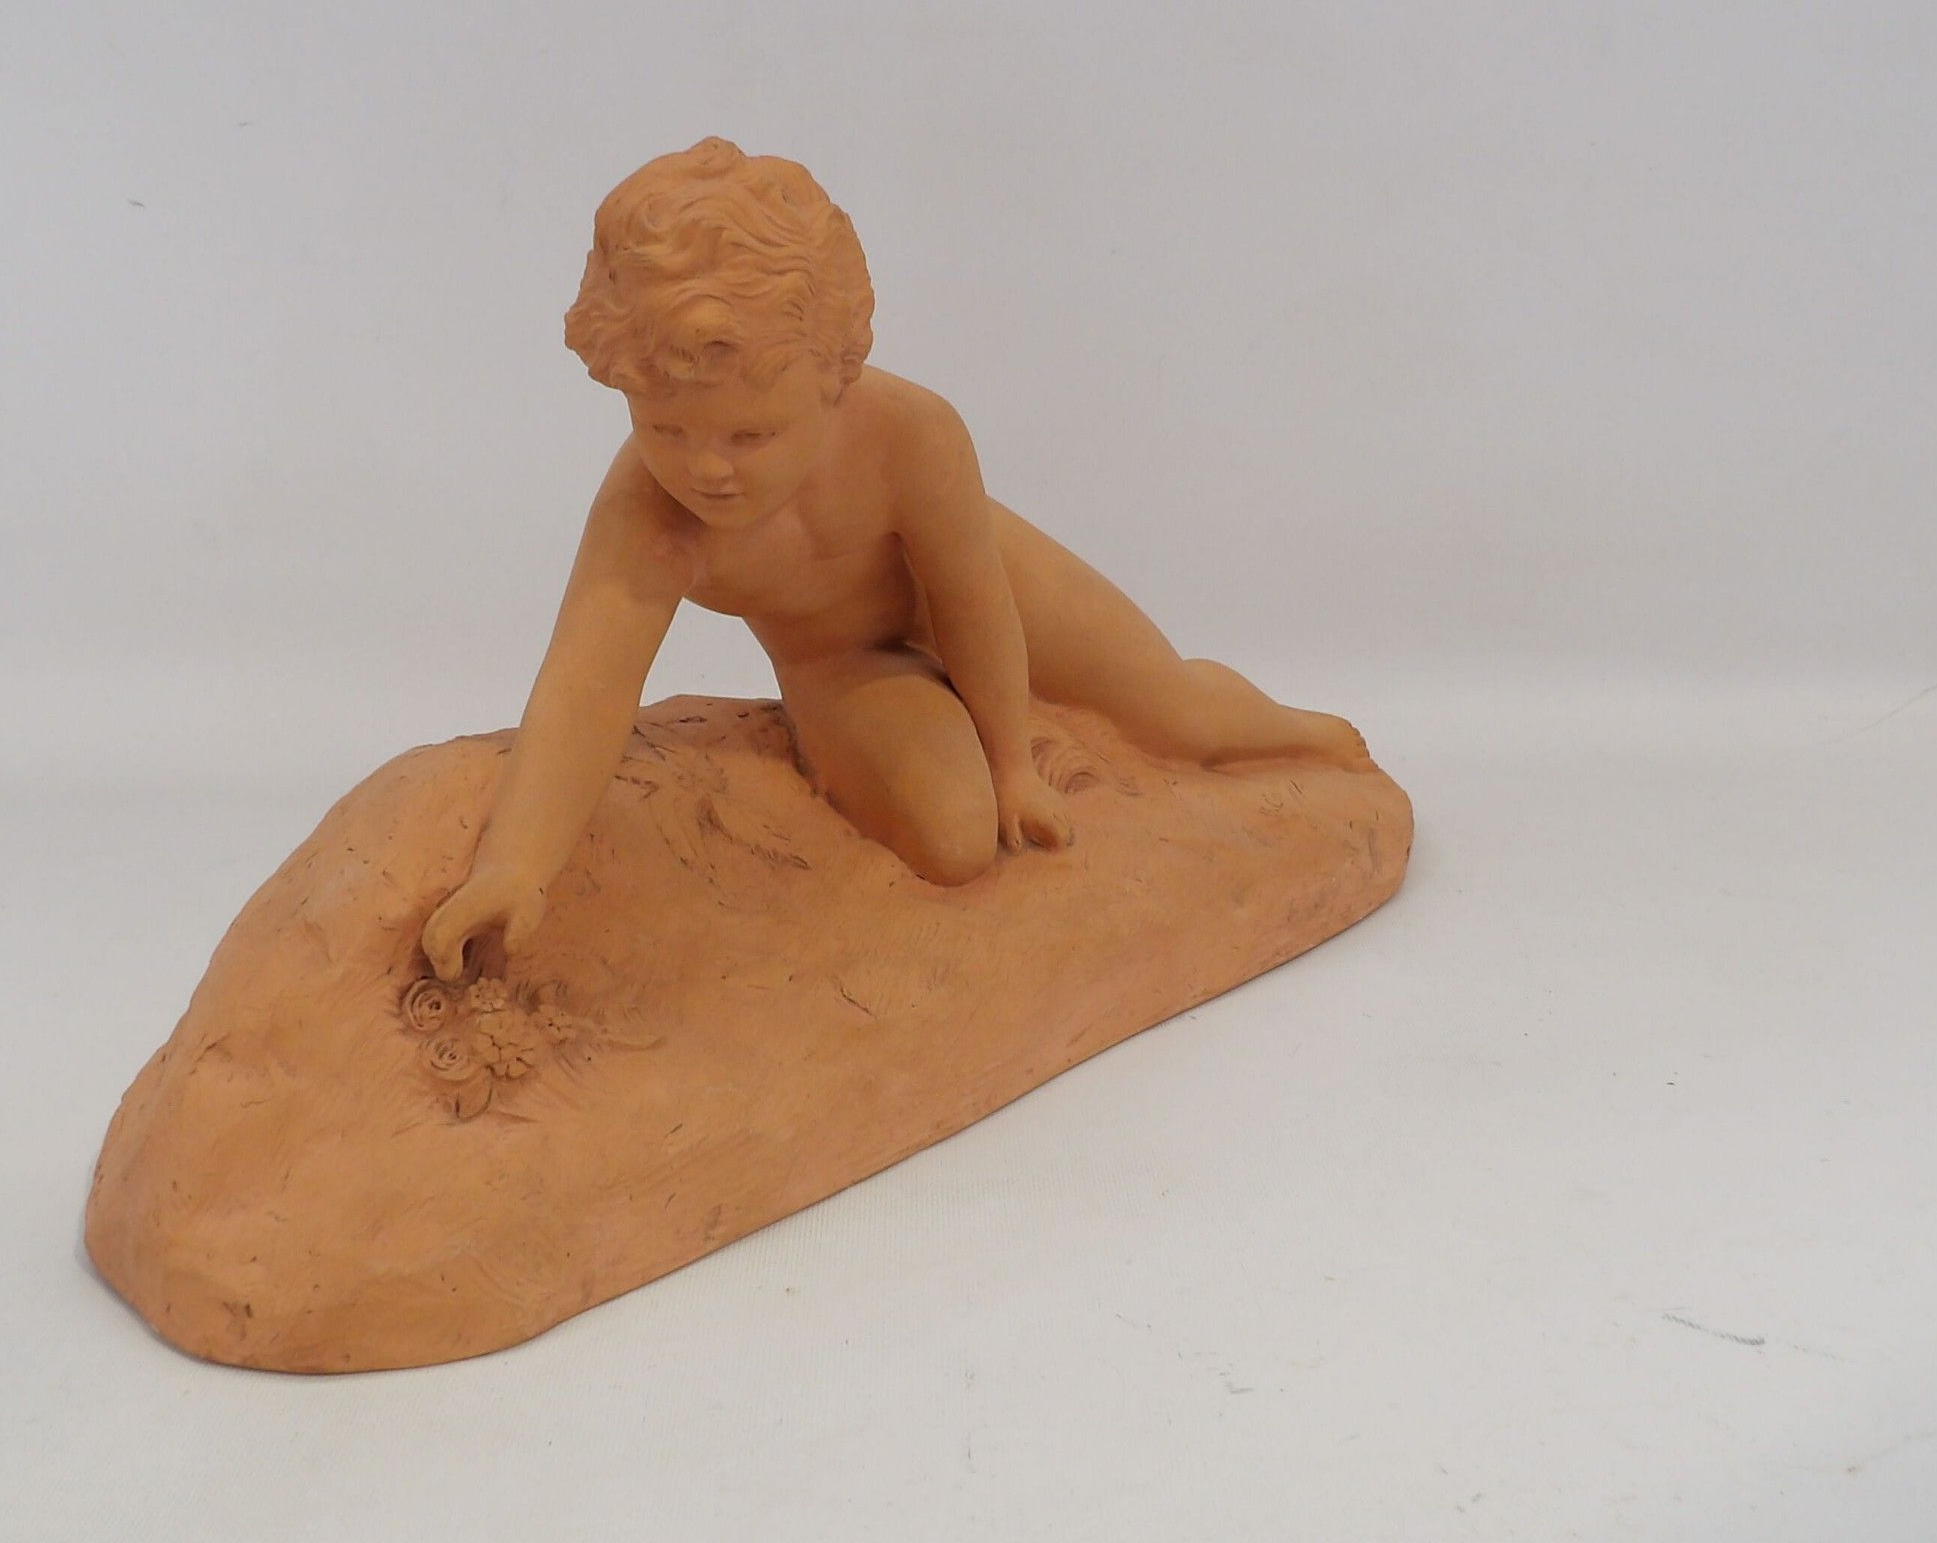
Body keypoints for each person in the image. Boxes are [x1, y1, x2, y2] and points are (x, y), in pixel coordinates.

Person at [422, 137, 1370, 982]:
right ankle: (918, 734)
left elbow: (972, 600)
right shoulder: (648, 518)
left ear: (832, 380)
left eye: (752, 434)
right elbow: (584, 689)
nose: (707, 470)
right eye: (666, 429)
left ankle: (1310, 747)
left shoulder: (908, 434)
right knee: (956, 844)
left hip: (986, 583)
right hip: (837, 657)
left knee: (1176, 710)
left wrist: (1015, 763)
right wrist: (514, 868)